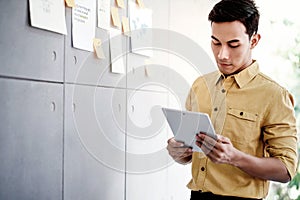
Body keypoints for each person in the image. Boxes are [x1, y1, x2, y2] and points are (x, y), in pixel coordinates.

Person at [166, 0, 298, 199]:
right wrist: (179, 152)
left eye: (233, 44)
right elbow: (190, 151)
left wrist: (234, 157)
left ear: (254, 41)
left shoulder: (274, 95)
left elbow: (286, 170)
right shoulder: (200, 85)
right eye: (216, 42)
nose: (222, 54)